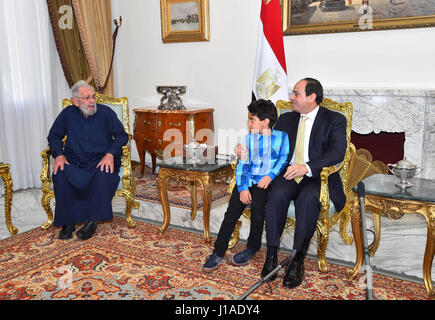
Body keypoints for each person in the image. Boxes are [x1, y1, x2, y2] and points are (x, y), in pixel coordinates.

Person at [259, 78, 347, 288]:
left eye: (296, 93)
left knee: (308, 199)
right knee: (277, 195)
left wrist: (307, 166)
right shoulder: (287, 118)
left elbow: (337, 152)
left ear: (312, 97)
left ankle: (297, 260)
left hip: (316, 176)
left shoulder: (334, 119)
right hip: (289, 173)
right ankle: (271, 255)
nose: (291, 98)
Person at [202, 99, 289, 272]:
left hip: (264, 184)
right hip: (246, 181)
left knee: (258, 211)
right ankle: (218, 251)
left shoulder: (281, 137)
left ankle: (252, 247)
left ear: (265, 121)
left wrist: (270, 176)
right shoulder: (248, 139)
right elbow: (242, 164)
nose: (249, 124)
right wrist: (242, 188)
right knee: (231, 214)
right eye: (248, 119)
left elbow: (283, 159)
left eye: (252, 120)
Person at [47, 80, 129, 240]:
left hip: (100, 160)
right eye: (87, 98)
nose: (92, 101)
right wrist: (59, 155)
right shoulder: (67, 114)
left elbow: (122, 136)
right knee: (60, 173)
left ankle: (93, 220)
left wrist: (110, 154)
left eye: (93, 97)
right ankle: (68, 221)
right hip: (74, 162)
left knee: (103, 174)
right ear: (76, 101)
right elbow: (54, 136)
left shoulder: (105, 113)